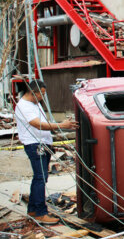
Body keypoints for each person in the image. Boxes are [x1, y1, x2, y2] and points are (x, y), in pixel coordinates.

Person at [14, 80, 78, 224]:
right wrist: (62, 125)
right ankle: (40, 213)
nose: (43, 97)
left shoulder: (34, 104)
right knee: (40, 178)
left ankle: (32, 209)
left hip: (41, 143)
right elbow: (37, 124)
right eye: (41, 94)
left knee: (39, 178)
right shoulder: (24, 106)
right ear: (33, 93)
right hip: (35, 145)